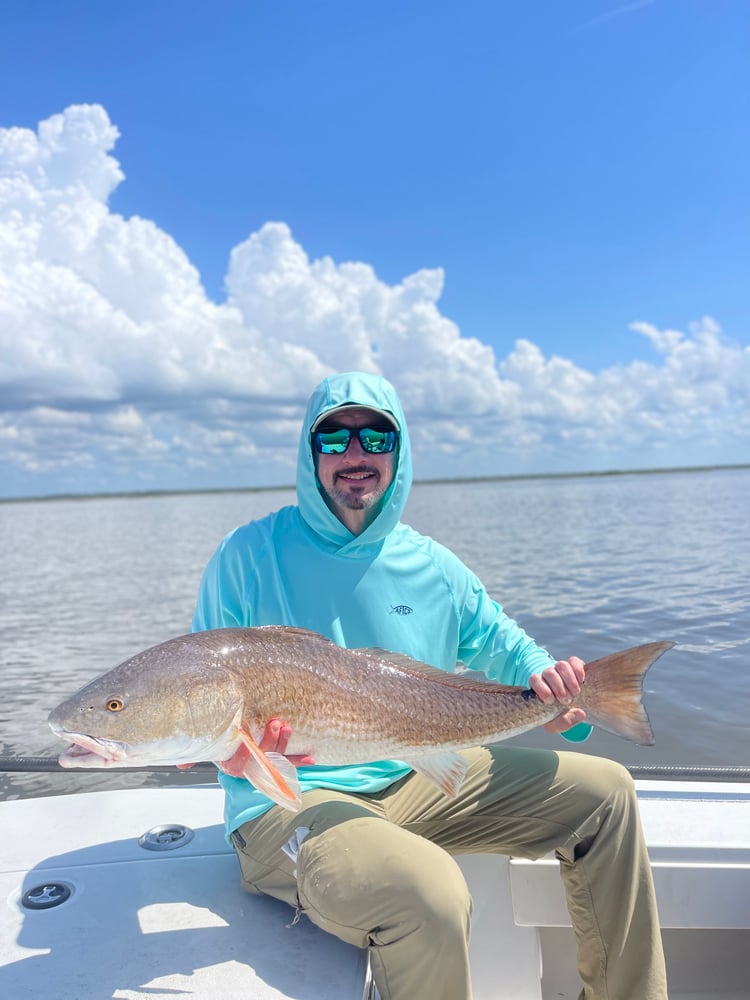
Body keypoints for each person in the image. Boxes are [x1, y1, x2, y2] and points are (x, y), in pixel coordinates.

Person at [191, 371, 667, 1000]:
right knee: (432, 893)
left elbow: (511, 648)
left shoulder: (434, 566)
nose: (355, 455)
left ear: (399, 450)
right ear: (311, 456)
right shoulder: (246, 555)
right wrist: (228, 746)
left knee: (607, 793)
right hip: (290, 803)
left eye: (375, 437)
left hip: (420, 776)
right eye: (333, 440)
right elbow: (201, 682)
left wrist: (560, 692)